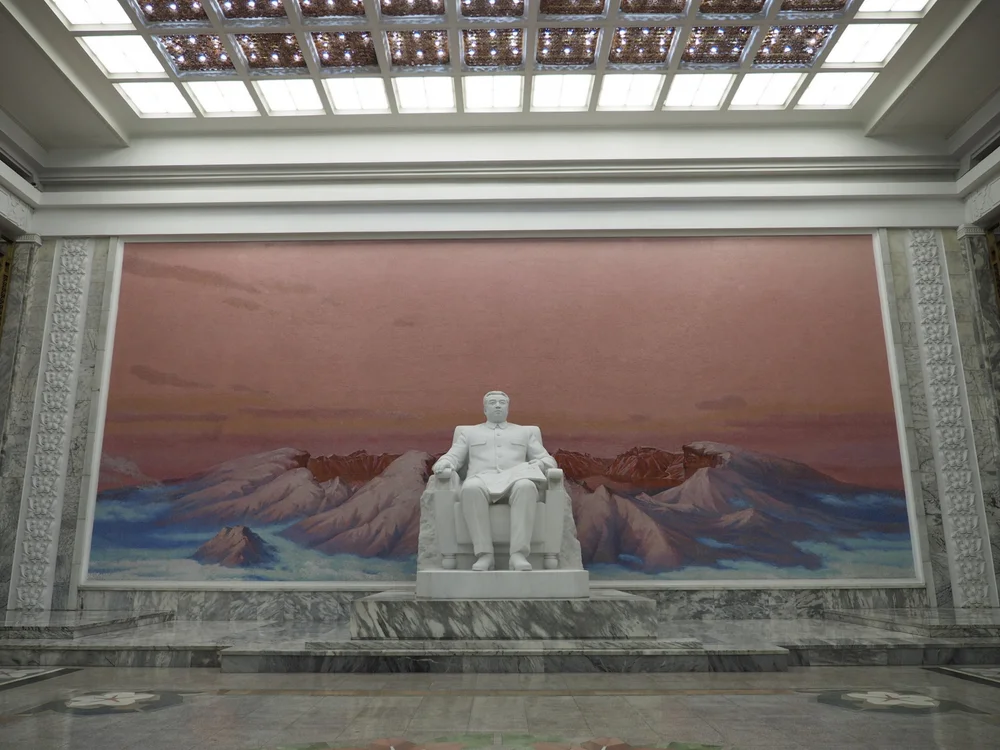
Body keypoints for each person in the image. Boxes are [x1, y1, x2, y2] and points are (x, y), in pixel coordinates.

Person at [432, 391, 557, 571]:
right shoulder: (470, 433)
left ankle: (518, 555)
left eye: (501, 402)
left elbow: (548, 460)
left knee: (527, 486)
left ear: (508, 408)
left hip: (515, 480)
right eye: (492, 402)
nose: (497, 405)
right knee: (470, 488)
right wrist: (444, 463)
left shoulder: (524, 432)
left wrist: (538, 464)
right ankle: (484, 555)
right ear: (485, 409)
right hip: (481, 480)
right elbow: (454, 456)